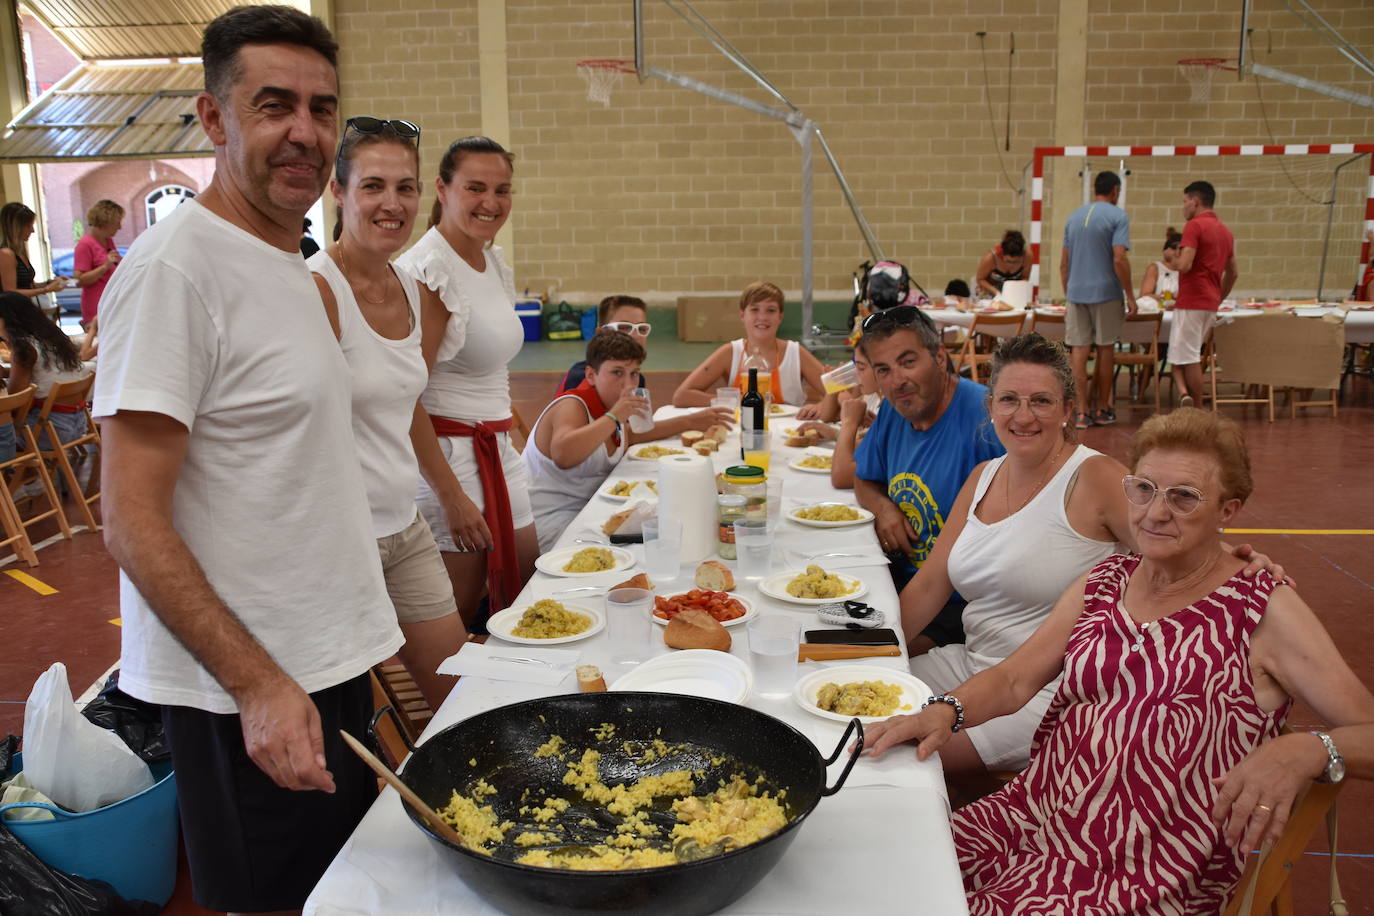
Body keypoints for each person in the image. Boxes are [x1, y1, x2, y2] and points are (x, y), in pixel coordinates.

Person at [92, 7, 402, 912]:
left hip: (321, 664)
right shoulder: (175, 271)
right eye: (273, 106)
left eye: (320, 107)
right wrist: (260, 686)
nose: (303, 131)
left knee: (345, 893)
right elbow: (129, 518)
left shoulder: (289, 264)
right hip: (246, 695)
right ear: (215, 118)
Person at [864, 408, 1374, 914]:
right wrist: (944, 711)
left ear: (1228, 512)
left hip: (1141, 871)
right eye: (1144, 488)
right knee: (885, 870)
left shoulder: (1262, 610)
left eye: (1185, 497)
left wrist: (1308, 749)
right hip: (1037, 816)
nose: (1155, 512)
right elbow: (1016, 678)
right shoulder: (1106, 581)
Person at [898, 334, 1280, 786]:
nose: (1023, 415)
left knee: (901, 756)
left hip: (1047, 689)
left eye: (1041, 401)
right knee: (849, 704)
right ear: (991, 407)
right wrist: (872, 649)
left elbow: (1173, 536)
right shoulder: (984, 476)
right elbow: (928, 586)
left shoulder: (1096, 478)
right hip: (974, 663)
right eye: (1009, 400)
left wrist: (1240, 565)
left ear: (1068, 410)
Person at [308, 115, 469, 710]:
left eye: (405, 187)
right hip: (341, 541)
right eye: (372, 185)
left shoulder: (410, 285)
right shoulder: (317, 291)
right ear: (339, 192)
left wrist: (448, 495)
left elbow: (406, 406)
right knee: (352, 715)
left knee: (456, 692)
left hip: (404, 527)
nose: (391, 203)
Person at [396, 136, 536, 620]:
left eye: (503, 190)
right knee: (455, 616)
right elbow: (403, 396)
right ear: (442, 188)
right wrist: (450, 497)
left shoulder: (492, 262)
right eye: (475, 187)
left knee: (526, 590)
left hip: (497, 450)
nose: (491, 202)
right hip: (449, 458)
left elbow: (490, 364)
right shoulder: (429, 271)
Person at [852, 304, 1005, 647]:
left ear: (939, 357)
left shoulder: (987, 420)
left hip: (965, 606)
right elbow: (863, 478)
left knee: (867, 663)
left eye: (908, 362)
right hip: (899, 583)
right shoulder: (894, 411)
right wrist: (884, 508)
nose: (897, 381)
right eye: (883, 370)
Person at [525, 330, 646, 550]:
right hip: (549, 522)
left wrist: (690, 421)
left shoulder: (611, 410)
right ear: (590, 375)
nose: (629, 384)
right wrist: (614, 417)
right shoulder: (572, 405)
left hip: (588, 513)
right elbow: (564, 455)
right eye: (617, 372)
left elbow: (637, 434)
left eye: (634, 373)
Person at [557, 294, 732, 441]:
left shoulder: (636, 378)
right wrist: (688, 422)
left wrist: (691, 422)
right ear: (601, 333)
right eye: (624, 327)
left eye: (641, 328)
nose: (635, 335)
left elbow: (638, 429)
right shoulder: (582, 378)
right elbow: (624, 436)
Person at [672, 280, 826, 408]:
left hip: (788, 433)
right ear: (742, 315)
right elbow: (681, 397)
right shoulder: (730, 353)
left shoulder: (795, 353)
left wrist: (819, 407)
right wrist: (734, 401)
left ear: (780, 316)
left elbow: (839, 395)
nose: (762, 317)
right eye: (754, 309)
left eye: (771, 310)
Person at [1061, 171, 1135, 429]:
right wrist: (1130, 295)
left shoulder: (1073, 217)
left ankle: (1081, 412)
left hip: (1075, 292)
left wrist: (1068, 293)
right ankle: (1103, 408)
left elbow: (1064, 264)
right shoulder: (1118, 216)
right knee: (1105, 350)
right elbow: (1119, 257)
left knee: (1078, 352)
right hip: (1106, 292)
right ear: (1115, 191)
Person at [1163, 180, 1237, 407]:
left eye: (1185, 201)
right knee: (1183, 352)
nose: (1183, 207)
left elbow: (1185, 265)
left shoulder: (1195, 226)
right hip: (1210, 300)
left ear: (1195, 202)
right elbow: (1233, 273)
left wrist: (1171, 260)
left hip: (1192, 298)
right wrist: (1218, 297)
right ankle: (1186, 396)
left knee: (1189, 356)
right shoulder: (1225, 231)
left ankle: (1197, 406)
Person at [0, 292, 92, 447]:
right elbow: (44, 372)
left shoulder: (24, 347)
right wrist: (7, 372)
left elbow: (16, 400)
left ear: (8, 321)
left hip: (50, 430)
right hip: (78, 424)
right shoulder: (53, 337)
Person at [72, 199, 124, 327]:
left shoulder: (108, 241)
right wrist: (105, 266)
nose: (119, 227)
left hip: (112, 307)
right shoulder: (85, 244)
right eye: (117, 223)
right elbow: (79, 280)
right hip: (96, 310)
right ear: (106, 222)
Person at [0, 203, 66, 301]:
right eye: (28, 226)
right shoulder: (6, 254)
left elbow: (28, 286)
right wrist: (45, 290)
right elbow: (11, 292)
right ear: (16, 228)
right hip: (11, 313)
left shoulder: (20, 251)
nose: (32, 230)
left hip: (24, 308)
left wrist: (50, 283)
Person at [974, 230, 1027, 298]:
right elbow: (980, 279)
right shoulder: (990, 258)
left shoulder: (1027, 256)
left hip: (1013, 293)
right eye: (1008, 261)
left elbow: (1025, 278)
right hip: (990, 292)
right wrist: (996, 293)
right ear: (1002, 253)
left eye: (1016, 262)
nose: (1011, 265)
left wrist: (1015, 292)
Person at [1139, 227, 1182, 304]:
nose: (1177, 253)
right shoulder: (1155, 268)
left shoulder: (1185, 269)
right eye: (1174, 249)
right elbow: (1144, 295)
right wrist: (1164, 297)